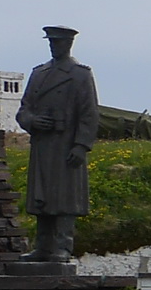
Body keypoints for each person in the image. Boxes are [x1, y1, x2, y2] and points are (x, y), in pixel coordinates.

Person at [15, 25, 100, 261]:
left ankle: (63, 246)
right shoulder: (39, 73)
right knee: (42, 196)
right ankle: (42, 246)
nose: (54, 46)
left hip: (65, 145)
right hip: (43, 145)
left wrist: (81, 145)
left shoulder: (80, 74)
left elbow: (89, 113)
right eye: (51, 42)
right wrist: (32, 121)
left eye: (59, 43)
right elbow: (24, 109)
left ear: (68, 44)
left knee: (65, 197)